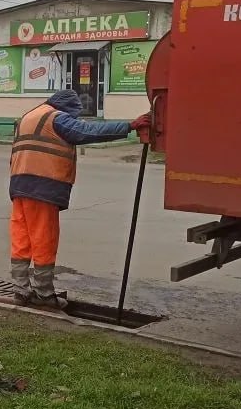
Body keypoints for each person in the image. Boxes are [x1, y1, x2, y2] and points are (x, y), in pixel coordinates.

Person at [9, 89, 149, 308]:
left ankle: (20, 291)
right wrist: (129, 126)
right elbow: (86, 131)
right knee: (43, 238)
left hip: (20, 186)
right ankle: (44, 295)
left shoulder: (30, 115)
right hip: (41, 188)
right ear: (67, 109)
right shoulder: (57, 117)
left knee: (21, 240)